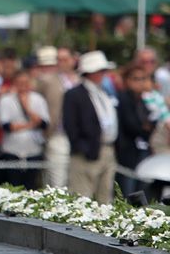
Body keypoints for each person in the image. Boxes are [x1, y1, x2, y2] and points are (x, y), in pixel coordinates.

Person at [63, 50, 118, 204]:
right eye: (102, 71)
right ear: (92, 72)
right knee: (81, 198)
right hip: (87, 152)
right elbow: (71, 125)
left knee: (105, 198)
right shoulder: (74, 95)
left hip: (107, 150)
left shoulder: (103, 93)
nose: (104, 74)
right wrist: (83, 147)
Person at [0, 70, 49, 189]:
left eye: (26, 83)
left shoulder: (38, 99)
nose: (23, 87)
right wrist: (31, 124)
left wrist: (27, 108)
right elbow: (7, 126)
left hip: (33, 150)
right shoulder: (6, 100)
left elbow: (44, 124)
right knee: (13, 186)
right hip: (12, 150)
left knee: (31, 186)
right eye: (20, 83)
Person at [34, 46, 75, 188]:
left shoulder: (79, 79)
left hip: (76, 136)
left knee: (74, 180)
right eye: (59, 59)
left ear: (72, 60)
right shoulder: (47, 80)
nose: (62, 62)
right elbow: (36, 101)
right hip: (57, 133)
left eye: (65, 59)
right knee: (58, 180)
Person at [115, 63, 159, 197]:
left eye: (143, 79)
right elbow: (132, 125)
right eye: (136, 79)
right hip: (128, 151)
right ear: (126, 80)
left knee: (143, 191)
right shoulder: (124, 98)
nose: (140, 83)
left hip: (144, 149)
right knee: (128, 192)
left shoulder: (146, 99)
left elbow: (155, 120)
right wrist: (145, 128)